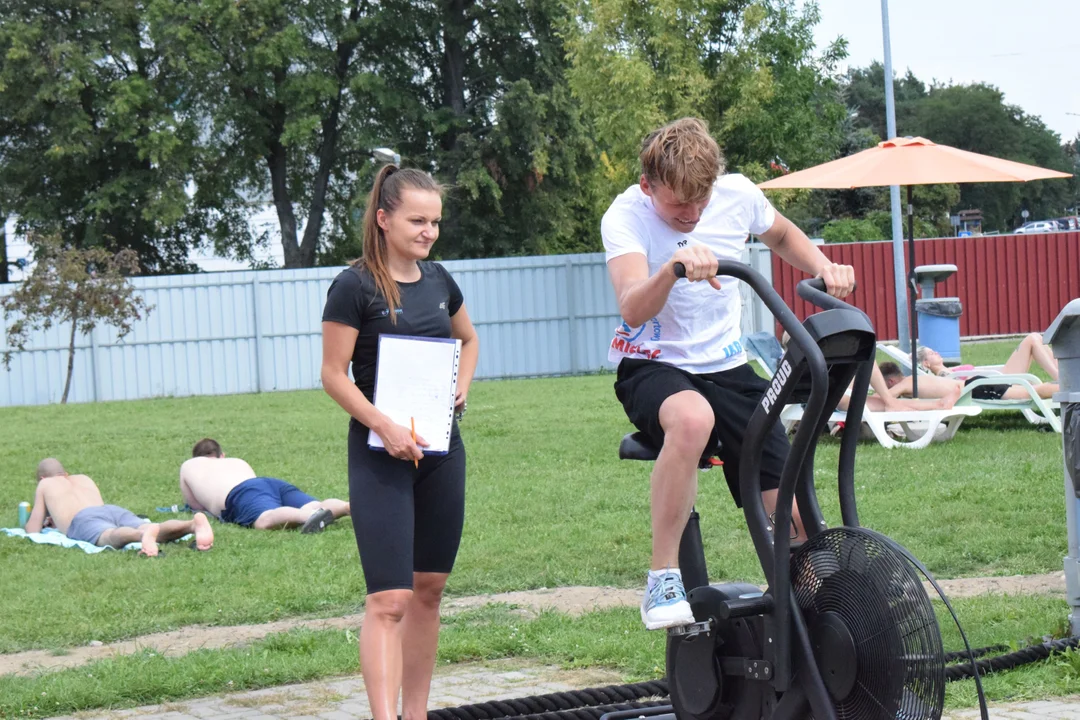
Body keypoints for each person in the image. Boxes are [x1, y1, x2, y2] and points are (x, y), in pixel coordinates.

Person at [602, 117, 856, 630]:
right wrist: (672, 269)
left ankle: (807, 625)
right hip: (655, 365)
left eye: (702, 201)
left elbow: (781, 233)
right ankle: (662, 581)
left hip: (729, 367)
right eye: (679, 205)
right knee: (693, 421)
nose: (693, 214)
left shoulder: (738, 194)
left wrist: (822, 265)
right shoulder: (626, 214)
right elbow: (631, 307)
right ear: (649, 185)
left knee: (797, 509)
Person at [320, 164, 480, 720]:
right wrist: (383, 426)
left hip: (441, 450)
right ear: (384, 219)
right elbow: (333, 375)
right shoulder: (354, 285)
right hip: (379, 456)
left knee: (429, 590)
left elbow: (468, 338)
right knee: (390, 599)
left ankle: (417, 714)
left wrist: (460, 388)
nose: (429, 231)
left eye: (435, 221)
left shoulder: (439, 280)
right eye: (417, 220)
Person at [27, 458, 214, 556]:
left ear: (43, 478)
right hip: (111, 510)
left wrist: (44, 521)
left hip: (83, 519)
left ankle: (142, 537)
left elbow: (33, 529)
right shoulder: (83, 478)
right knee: (148, 526)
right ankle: (192, 525)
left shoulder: (45, 484)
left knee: (108, 535)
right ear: (65, 473)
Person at [180, 438, 350, 533]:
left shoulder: (189, 465)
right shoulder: (236, 461)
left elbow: (196, 506)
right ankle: (347, 507)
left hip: (239, 493)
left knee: (265, 518)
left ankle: (309, 516)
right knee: (315, 504)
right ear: (221, 455)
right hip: (268, 483)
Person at [882, 334, 1059, 402]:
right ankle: (1065, 382)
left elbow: (884, 396)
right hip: (981, 384)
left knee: (1035, 338)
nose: (936, 352)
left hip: (985, 382)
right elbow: (886, 395)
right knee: (1036, 389)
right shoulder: (938, 375)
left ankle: (1066, 378)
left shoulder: (916, 381)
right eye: (931, 353)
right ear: (925, 364)